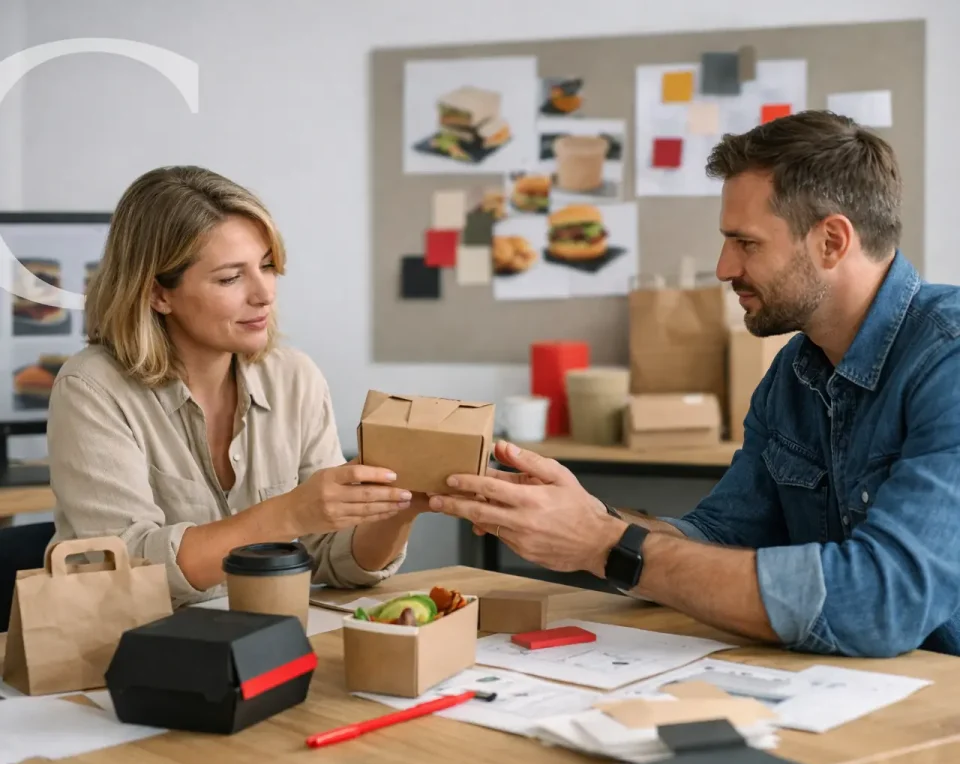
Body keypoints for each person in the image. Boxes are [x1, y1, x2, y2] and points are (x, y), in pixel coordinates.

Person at [430, 110, 960, 658]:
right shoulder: (796, 371)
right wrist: (583, 518)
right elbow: (720, 534)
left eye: (746, 243)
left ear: (831, 241)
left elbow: (880, 601)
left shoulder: (948, 360)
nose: (723, 266)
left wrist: (606, 545)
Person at [48, 166, 428, 608]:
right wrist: (289, 514)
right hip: (134, 654)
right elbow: (125, 569)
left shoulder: (295, 378)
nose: (264, 293)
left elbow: (330, 557)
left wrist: (399, 508)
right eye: (230, 278)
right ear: (158, 294)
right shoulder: (91, 388)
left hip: (268, 643)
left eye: (266, 266)